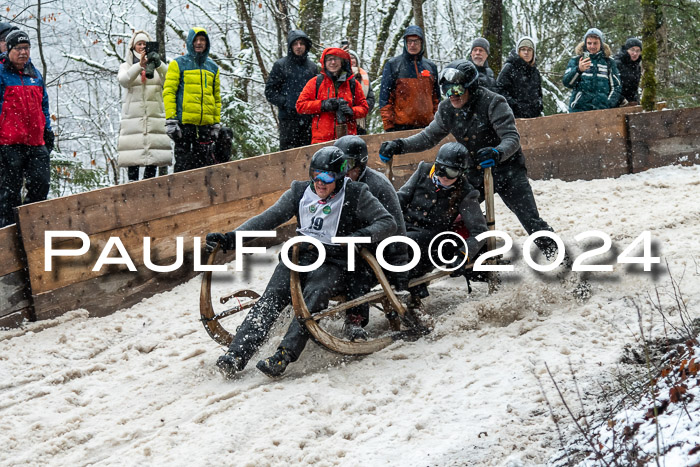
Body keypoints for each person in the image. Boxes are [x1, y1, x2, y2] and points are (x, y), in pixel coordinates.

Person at [207, 146, 396, 378]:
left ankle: (284, 354)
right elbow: (268, 218)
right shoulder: (299, 191)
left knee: (313, 297)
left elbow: (387, 222)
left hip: (334, 261)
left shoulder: (357, 194)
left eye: (327, 177)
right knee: (272, 298)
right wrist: (231, 238)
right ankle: (237, 353)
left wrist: (356, 238)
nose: (320, 182)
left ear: (339, 176)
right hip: (299, 255)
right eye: (315, 175)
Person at [379, 59, 560, 260]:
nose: (452, 96)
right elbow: (429, 136)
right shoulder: (448, 108)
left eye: (457, 89)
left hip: (508, 170)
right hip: (474, 171)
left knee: (531, 220)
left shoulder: (493, 102)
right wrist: (400, 145)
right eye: (447, 91)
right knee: (452, 213)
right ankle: (474, 260)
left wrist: (497, 153)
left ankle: (560, 261)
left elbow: (511, 138)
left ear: (470, 87)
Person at [397, 142, 488, 317]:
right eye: (441, 170)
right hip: (405, 226)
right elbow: (400, 198)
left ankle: (413, 297)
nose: (444, 177)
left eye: (452, 172)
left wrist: (463, 254)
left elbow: (480, 231)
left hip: (433, 238)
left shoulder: (466, 192)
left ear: (461, 173)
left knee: (408, 246)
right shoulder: (423, 170)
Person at [333, 135, 407, 340]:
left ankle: (355, 319)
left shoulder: (378, 186)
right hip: (350, 241)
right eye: (340, 165)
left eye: (349, 165)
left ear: (361, 164)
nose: (345, 172)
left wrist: (399, 272)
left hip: (381, 247)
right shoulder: (335, 182)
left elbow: (397, 229)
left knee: (357, 269)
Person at [0, 30, 54, 228]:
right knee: (9, 193)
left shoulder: (34, 73)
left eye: (26, 48)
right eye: (18, 48)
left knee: (41, 185)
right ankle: (7, 234)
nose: (23, 52)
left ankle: (30, 228)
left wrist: (47, 130)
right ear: (8, 49)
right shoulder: (1, 72)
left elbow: (44, 105)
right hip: (9, 143)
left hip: (35, 142)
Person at [163, 27, 221, 172]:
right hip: (184, 126)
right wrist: (171, 120)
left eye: (202, 40)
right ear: (190, 42)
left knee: (205, 166)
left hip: (205, 127)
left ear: (207, 43)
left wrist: (216, 123)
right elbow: (169, 92)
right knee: (183, 165)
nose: (199, 43)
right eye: (195, 40)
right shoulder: (178, 64)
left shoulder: (213, 67)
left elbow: (216, 98)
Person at [117, 30, 172, 182]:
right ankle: (132, 192)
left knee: (153, 160)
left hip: (154, 118)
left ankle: (150, 192)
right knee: (132, 159)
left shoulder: (158, 67)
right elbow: (124, 80)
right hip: (133, 120)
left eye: (145, 44)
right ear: (133, 47)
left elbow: (170, 79)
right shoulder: (126, 66)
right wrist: (138, 66)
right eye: (139, 44)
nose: (142, 47)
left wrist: (158, 64)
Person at [296, 47, 369, 144]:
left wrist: (352, 111)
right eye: (329, 59)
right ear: (324, 63)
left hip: (348, 138)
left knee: (347, 160)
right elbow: (300, 106)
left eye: (336, 59)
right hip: (321, 139)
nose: (333, 62)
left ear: (342, 62)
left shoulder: (353, 84)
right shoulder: (316, 82)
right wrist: (322, 105)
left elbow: (364, 108)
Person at [378, 25, 440, 132]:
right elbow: (385, 99)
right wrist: (389, 126)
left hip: (428, 127)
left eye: (416, 41)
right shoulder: (393, 65)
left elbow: (436, 98)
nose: (412, 45)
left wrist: (437, 121)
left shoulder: (431, 67)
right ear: (405, 43)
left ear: (421, 43)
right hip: (401, 127)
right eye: (409, 41)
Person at [264, 30, 317, 150]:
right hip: (288, 120)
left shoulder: (312, 67)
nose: (298, 47)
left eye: (301, 43)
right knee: (288, 155)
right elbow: (269, 91)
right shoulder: (281, 65)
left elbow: (317, 92)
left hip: (308, 119)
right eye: (295, 44)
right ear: (290, 46)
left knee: (307, 153)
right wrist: (286, 102)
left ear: (306, 46)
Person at [562, 28, 621, 113]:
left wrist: (608, 104)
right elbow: (567, 83)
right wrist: (578, 70)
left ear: (601, 44)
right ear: (585, 44)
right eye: (589, 43)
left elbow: (616, 86)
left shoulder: (609, 62)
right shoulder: (576, 60)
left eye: (595, 43)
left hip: (602, 110)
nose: (592, 46)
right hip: (579, 109)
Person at [496, 36, 543, 119]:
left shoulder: (535, 72)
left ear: (533, 53)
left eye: (529, 50)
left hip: (532, 118)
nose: (526, 52)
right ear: (518, 51)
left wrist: (538, 106)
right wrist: (515, 106)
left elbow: (539, 94)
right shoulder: (509, 68)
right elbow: (500, 90)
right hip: (511, 117)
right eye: (523, 49)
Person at [345, 50, 375, 135]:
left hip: (360, 120)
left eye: (352, 58)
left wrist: (360, 108)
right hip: (343, 119)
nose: (351, 61)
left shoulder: (364, 76)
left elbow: (371, 99)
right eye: (348, 58)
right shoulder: (338, 75)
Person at [614, 38, 642, 107]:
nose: (635, 53)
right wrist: (622, 100)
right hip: (617, 103)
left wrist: (635, 101)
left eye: (637, 51)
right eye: (632, 50)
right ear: (626, 50)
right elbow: (612, 86)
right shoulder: (616, 63)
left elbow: (634, 89)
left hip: (631, 103)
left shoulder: (637, 66)